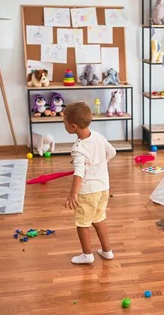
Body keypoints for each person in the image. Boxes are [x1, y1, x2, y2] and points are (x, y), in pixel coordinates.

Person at [63, 102, 116, 264]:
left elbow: (79, 173)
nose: (63, 124)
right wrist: (99, 164)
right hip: (103, 187)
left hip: (88, 191)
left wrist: (73, 194)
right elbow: (112, 152)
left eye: (64, 122)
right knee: (99, 218)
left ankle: (87, 255)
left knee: (82, 222)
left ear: (73, 126)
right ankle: (107, 251)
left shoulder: (78, 148)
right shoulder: (98, 136)